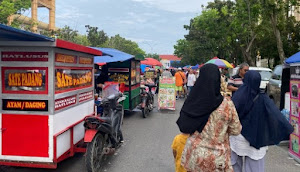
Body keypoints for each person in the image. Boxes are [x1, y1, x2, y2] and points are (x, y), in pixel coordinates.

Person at [177, 64, 242, 172]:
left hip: (194, 157)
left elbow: (183, 126)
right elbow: (236, 130)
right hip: (217, 160)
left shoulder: (193, 100)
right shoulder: (227, 104)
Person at [230, 70, 294, 172]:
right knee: (254, 167)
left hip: (238, 137)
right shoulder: (264, 98)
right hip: (257, 137)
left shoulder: (238, 95)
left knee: (234, 166)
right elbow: (276, 115)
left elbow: (230, 114)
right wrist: (288, 128)